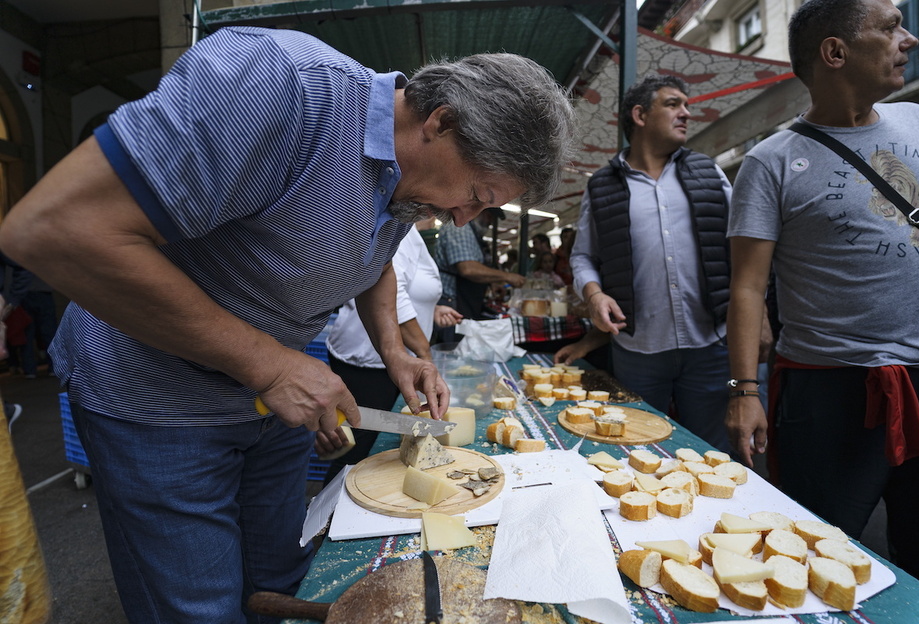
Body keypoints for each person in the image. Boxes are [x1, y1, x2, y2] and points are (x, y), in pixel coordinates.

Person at [0, 27, 576, 623]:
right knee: (200, 609)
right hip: (156, 404)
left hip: (267, 409)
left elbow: (370, 257)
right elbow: (57, 229)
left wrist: (392, 349)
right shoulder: (281, 85)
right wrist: (270, 364)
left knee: (279, 583)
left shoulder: (411, 179)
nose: (464, 216)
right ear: (441, 122)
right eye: (476, 194)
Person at [726, 0, 919, 588]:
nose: (909, 40)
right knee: (813, 557)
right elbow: (746, 286)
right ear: (835, 53)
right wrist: (744, 391)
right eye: (891, 28)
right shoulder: (769, 163)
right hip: (828, 392)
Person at [570, 74, 741, 453]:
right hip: (637, 348)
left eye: (686, 105)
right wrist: (594, 295)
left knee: (709, 449)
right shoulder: (602, 185)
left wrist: (755, 315)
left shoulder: (708, 172)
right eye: (673, 104)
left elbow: (744, 246)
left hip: (710, 344)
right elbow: (583, 255)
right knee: (638, 447)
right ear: (640, 115)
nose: (686, 113)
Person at [319, 223, 462, 482]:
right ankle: (332, 511)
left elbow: (407, 289)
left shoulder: (410, 231)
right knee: (353, 451)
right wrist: (424, 353)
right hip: (368, 361)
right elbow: (393, 298)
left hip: (385, 361)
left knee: (358, 443)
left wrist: (432, 310)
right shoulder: (401, 228)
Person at [435, 207, 526, 342]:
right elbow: (468, 269)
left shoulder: (474, 234)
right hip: (451, 303)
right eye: (489, 215)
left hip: (464, 301)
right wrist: (506, 276)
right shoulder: (460, 228)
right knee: (453, 348)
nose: (491, 221)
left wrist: (492, 283)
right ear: (479, 211)